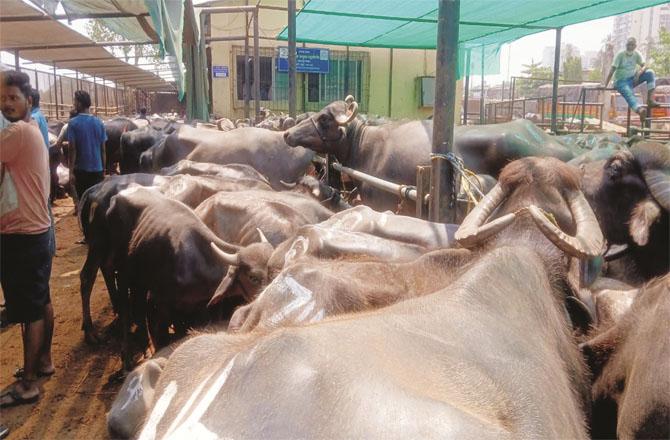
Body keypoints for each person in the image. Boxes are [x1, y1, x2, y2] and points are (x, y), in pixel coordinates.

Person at [0, 70, 55, 408]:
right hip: (39, 228)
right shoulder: (32, 129)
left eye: (13, 98)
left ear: (28, 101)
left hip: (22, 232)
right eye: (3, 98)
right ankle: (43, 361)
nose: (6, 103)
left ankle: (29, 383)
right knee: (40, 300)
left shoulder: (17, 131)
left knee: (28, 310)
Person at [604, 37, 659, 124]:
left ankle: (650, 99)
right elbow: (612, 70)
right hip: (620, 81)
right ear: (626, 45)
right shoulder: (620, 54)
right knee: (628, 93)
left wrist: (639, 73)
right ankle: (639, 110)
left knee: (650, 73)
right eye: (628, 45)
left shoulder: (636, 54)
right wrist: (605, 84)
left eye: (631, 45)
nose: (629, 47)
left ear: (635, 46)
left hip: (632, 79)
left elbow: (644, 65)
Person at [67, 90, 107, 210]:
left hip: (81, 171)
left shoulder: (73, 123)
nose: (74, 104)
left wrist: (71, 171)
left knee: (84, 204)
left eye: (75, 101)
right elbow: (103, 149)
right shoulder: (99, 122)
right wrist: (103, 169)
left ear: (79, 103)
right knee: (97, 205)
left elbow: (72, 150)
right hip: (97, 170)